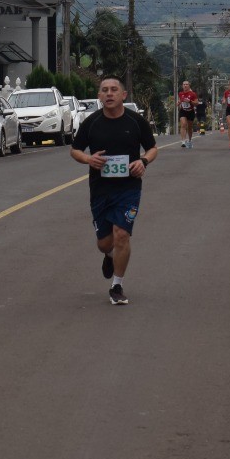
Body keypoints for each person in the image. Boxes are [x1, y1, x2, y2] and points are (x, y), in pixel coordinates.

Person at [70, 75, 158, 305]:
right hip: (100, 190)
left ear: (123, 95)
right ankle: (109, 256)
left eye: (113, 90)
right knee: (104, 243)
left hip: (129, 188)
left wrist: (143, 162)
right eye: (104, 90)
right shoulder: (92, 123)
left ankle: (117, 285)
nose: (109, 94)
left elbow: (152, 148)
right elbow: (75, 150)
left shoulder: (135, 121)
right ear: (99, 96)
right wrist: (89, 159)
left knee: (122, 234)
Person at [177, 80, 198, 148]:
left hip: (190, 111)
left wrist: (190, 101)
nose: (185, 85)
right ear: (182, 86)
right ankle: (183, 141)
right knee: (183, 124)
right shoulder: (180, 93)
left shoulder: (193, 94)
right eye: (184, 84)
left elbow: (196, 103)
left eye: (186, 84)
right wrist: (178, 103)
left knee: (189, 127)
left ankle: (190, 140)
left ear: (189, 86)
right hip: (183, 111)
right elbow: (180, 101)